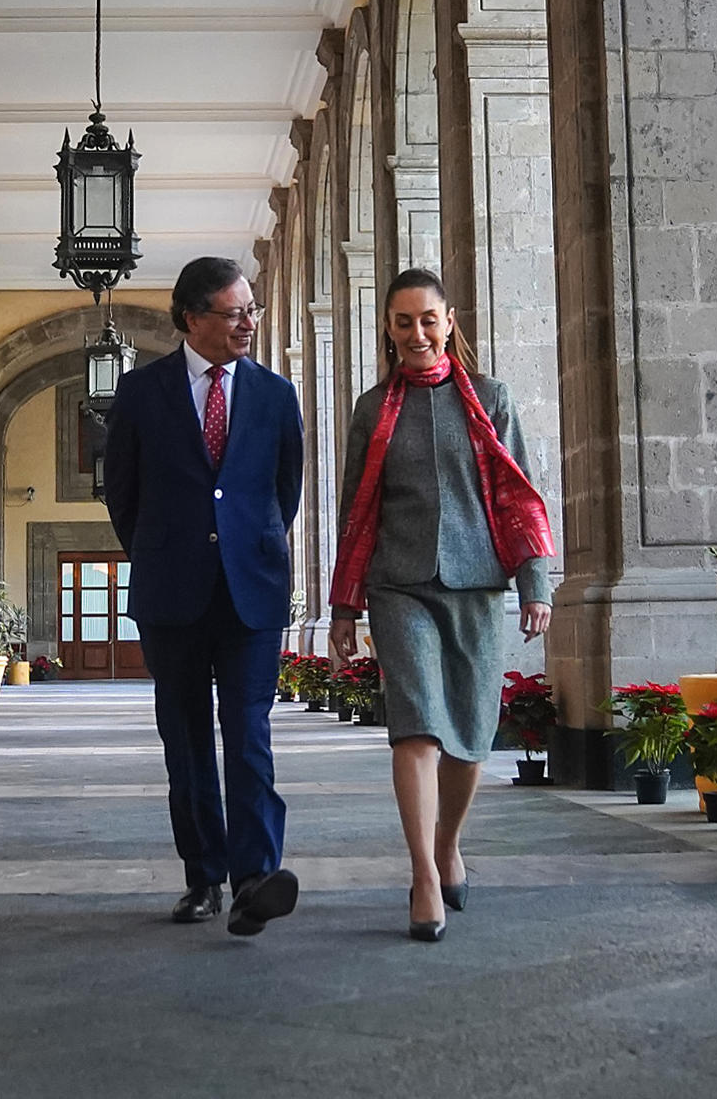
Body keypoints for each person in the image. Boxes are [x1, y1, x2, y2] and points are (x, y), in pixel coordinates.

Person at [328, 268, 554, 942]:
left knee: (470, 737)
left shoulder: (490, 398)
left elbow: (519, 492)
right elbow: (354, 510)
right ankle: (424, 872)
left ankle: (449, 840)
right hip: (398, 585)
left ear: (449, 320)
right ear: (389, 329)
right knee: (418, 727)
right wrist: (344, 605)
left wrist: (535, 582)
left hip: (479, 583)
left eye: (428, 319)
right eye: (404, 322)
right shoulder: (372, 408)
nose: (417, 333)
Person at [103, 257, 305, 936]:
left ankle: (255, 876)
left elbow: (285, 492)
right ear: (192, 318)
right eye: (233, 311)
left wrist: (249, 548)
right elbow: (123, 496)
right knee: (186, 739)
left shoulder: (277, 396)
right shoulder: (140, 392)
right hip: (172, 594)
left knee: (249, 731)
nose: (247, 322)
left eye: (251, 310)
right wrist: (165, 550)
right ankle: (204, 876)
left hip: (252, 593)